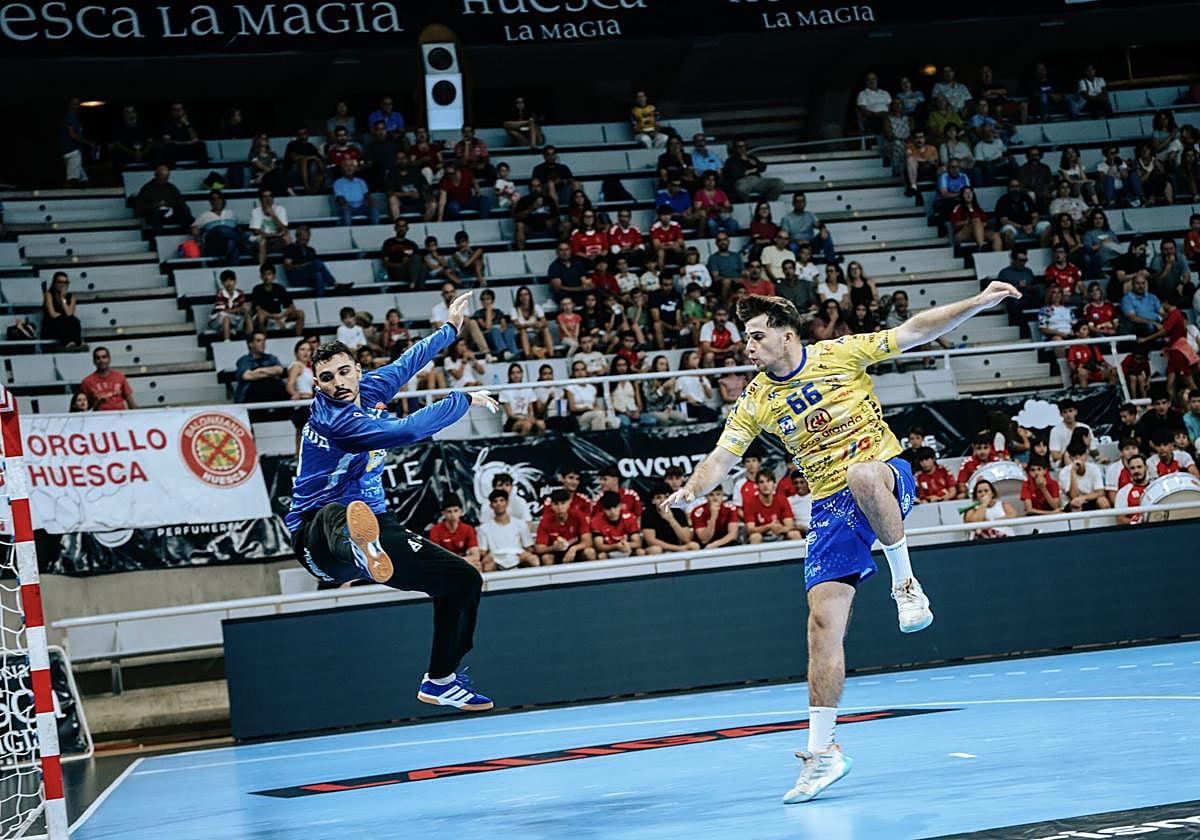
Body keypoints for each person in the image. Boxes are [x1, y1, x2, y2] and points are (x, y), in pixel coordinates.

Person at [663, 282, 1020, 804]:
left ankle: (906, 584)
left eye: (756, 336)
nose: (747, 345)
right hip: (830, 508)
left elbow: (914, 330)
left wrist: (979, 302)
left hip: (883, 474)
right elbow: (722, 457)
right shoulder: (756, 399)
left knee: (861, 474)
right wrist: (693, 490)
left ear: (787, 336)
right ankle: (823, 752)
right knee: (822, 627)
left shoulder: (839, 353)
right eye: (746, 337)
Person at [286, 291, 498, 710]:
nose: (338, 383)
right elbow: (406, 431)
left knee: (463, 581)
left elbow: (407, 362)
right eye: (327, 378)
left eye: (343, 372)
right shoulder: (335, 420)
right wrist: (461, 399)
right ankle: (359, 549)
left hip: (376, 525)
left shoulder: (370, 388)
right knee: (339, 512)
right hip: (316, 539)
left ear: (357, 370)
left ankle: (441, 679)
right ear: (317, 385)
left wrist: (450, 328)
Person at [477, 490, 537, 571]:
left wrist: (528, 554)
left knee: (534, 560)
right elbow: (483, 551)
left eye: (501, 500)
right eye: (495, 501)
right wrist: (486, 557)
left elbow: (529, 547)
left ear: (507, 503)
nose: (499, 504)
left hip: (518, 556)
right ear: (491, 505)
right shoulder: (484, 528)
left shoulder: (520, 524)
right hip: (496, 558)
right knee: (487, 566)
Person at [534, 488, 596, 565]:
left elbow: (588, 542)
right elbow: (539, 548)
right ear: (551, 505)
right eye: (556, 504)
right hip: (556, 553)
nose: (560, 508)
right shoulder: (545, 521)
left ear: (569, 503)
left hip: (576, 551)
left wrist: (573, 549)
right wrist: (553, 547)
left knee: (590, 552)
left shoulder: (579, 516)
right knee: (546, 558)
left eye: (563, 503)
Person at [642, 483, 700, 554]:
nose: (663, 500)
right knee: (656, 550)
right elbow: (650, 541)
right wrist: (678, 548)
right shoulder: (648, 514)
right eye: (659, 498)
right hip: (660, 548)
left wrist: (671, 519)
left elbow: (686, 538)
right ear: (653, 500)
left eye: (667, 497)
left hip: (677, 546)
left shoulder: (678, 512)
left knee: (694, 546)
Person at [282, 225, 338, 298]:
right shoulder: (290, 248)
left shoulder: (311, 250)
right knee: (317, 263)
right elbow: (287, 267)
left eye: (307, 240)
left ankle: (320, 300)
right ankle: (334, 283)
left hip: (308, 278)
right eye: (303, 239)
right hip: (296, 278)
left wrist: (310, 266)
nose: (305, 242)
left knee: (318, 275)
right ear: (297, 237)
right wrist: (304, 266)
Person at [251, 263, 305, 335]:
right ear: (261, 276)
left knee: (300, 313)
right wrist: (273, 316)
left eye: (269, 274)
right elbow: (258, 309)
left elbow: (291, 306)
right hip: (266, 317)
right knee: (260, 316)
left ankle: (297, 338)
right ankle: (263, 339)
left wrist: (282, 316)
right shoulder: (257, 289)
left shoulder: (279, 288)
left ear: (274, 276)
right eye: (264, 274)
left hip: (280, 315)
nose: (267, 277)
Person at [234, 332, 289, 403]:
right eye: (259, 341)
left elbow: (279, 370)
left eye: (264, 341)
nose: (263, 343)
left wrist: (259, 370)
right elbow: (247, 376)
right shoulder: (244, 360)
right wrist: (271, 373)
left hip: (274, 393)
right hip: (252, 396)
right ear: (250, 344)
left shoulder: (271, 358)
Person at [591, 491, 645, 559]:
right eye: (608, 509)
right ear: (603, 509)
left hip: (627, 549)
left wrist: (627, 545)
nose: (612, 512)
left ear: (620, 505)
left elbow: (637, 542)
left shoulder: (629, 517)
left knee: (640, 552)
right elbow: (599, 546)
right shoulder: (596, 521)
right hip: (608, 551)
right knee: (601, 556)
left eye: (615, 507)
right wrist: (616, 546)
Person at [1059, 440, 1110, 512]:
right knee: (1076, 503)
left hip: (1089, 499)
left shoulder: (1094, 468)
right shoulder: (1064, 472)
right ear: (1070, 457)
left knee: (1103, 501)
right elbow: (1073, 496)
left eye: (1081, 455)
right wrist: (1073, 472)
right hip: (1071, 503)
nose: (1078, 458)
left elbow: (1100, 492)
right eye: (1074, 456)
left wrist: (1084, 497)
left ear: (1086, 455)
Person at [40, 271, 82, 347]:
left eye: (65, 282)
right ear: (54, 283)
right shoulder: (48, 295)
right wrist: (64, 317)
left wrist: (63, 298)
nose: (63, 285)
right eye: (60, 282)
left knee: (75, 320)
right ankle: (70, 342)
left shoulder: (72, 297)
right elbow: (52, 314)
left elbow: (69, 313)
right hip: (52, 325)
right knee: (65, 321)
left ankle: (74, 342)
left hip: (66, 324)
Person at [209, 269, 251, 342]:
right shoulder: (220, 293)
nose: (229, 283)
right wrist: (238, 309)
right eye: (226, 281)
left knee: (247, 315)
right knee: (226, 318)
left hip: (234, 317)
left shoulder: (240, 293)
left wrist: (244, 310)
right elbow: (222, 310)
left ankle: (250, 340)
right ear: (222, 283)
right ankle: (227, 342)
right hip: (217, 319)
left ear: (235, 281)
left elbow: (243, 307)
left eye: (231, 280)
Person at [1114, 454, 1151, 525]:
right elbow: (1120, 520)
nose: (1136, 471)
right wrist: (1138, 522)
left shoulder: (1154, 487)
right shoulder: (1123, 492)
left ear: (1146, 467)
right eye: (1132, 468)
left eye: (1139, 467)